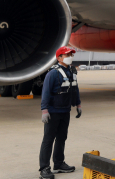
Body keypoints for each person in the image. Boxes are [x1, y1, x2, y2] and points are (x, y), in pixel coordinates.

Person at [39, 47, 82, 179]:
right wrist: (44, 110)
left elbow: (75, 89)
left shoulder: (71, 71)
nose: (70, 56)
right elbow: (45, 92)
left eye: (71, 54)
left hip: (65, 111)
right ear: (59, 58)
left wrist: (78, 104)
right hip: (53, 112)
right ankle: (44, 168)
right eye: (67, 54)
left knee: (62, 138)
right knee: (48, 140)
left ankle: (58, 164)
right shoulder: (52, 73)